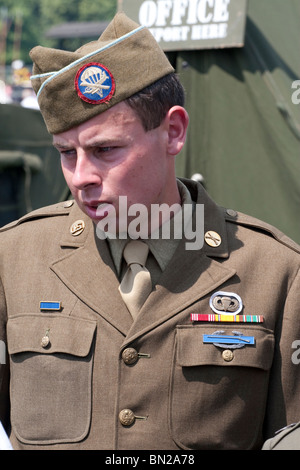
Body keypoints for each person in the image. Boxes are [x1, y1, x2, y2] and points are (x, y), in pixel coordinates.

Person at [0, 12, 299, 451]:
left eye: (105, 150)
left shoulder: (272, 272)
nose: (81, 175)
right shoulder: (14, 259)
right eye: (66, 153)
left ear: (173, 132)